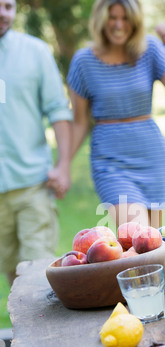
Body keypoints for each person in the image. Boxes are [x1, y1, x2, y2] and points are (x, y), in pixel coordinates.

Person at [67, 0, 165, 230]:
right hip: (111, 163)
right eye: (112, 17)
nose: (119, 25)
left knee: (154, 241)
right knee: (137, 236)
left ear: (135, 21)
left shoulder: (149, 49)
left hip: (152, 158)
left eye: (125, 18)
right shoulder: (83, 62)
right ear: (101, 19)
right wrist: (63, 166)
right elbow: (80, 123)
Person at [0, 0, 73, 285]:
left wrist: (64, 166)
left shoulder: (35, 52)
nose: (2, 13)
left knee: (35, 274)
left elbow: (58, 109)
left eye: (7, 6)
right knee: (13, 276)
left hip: (32, 184)